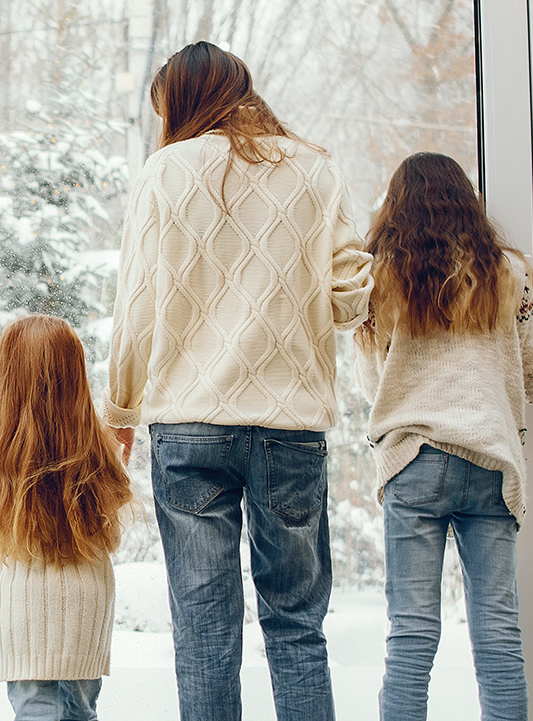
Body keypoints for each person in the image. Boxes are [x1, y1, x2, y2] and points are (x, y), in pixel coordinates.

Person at [103, 41, 374, 720]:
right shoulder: (316, 172)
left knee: (204, 631)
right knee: (296, 626)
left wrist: (120, 412)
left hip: (188, 426)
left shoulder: (163, 173)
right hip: (290, 428)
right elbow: (349, 301)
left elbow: (136, 309)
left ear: (179, 105)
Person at [355, 152, 533, 721]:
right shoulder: (510, 274)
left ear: (396, 209)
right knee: (498, 637)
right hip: (490, 461)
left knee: (412, 637)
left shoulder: (383, 275)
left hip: (414, 459)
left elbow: (373, 382)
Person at [0, 314, 137, 721]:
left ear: (8, 379)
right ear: (75, 374)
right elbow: (109, 539)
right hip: (84, 612)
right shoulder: (101, 451)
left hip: (22, 616)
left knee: (36, 713)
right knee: (80, 714)